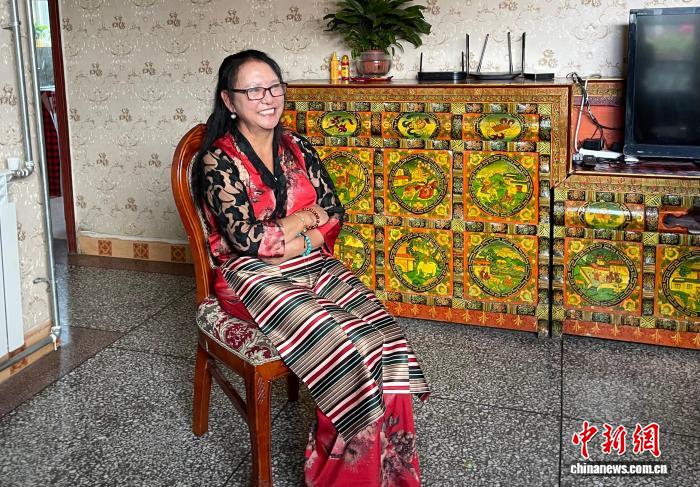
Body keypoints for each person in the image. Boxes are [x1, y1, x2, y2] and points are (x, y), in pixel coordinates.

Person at [194, 49, 430, 486]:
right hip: (250, 279)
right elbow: (248, 242)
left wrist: (299, 238)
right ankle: (343, 478)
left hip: (311, 261)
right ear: (229, 100)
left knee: (383, 335)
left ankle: (392, 471)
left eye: (274, 87)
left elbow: (334, 211)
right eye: (253, 90)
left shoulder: (297, 146)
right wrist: (306, 219)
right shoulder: (217, 160)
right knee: (344, 344)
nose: (268, 98)